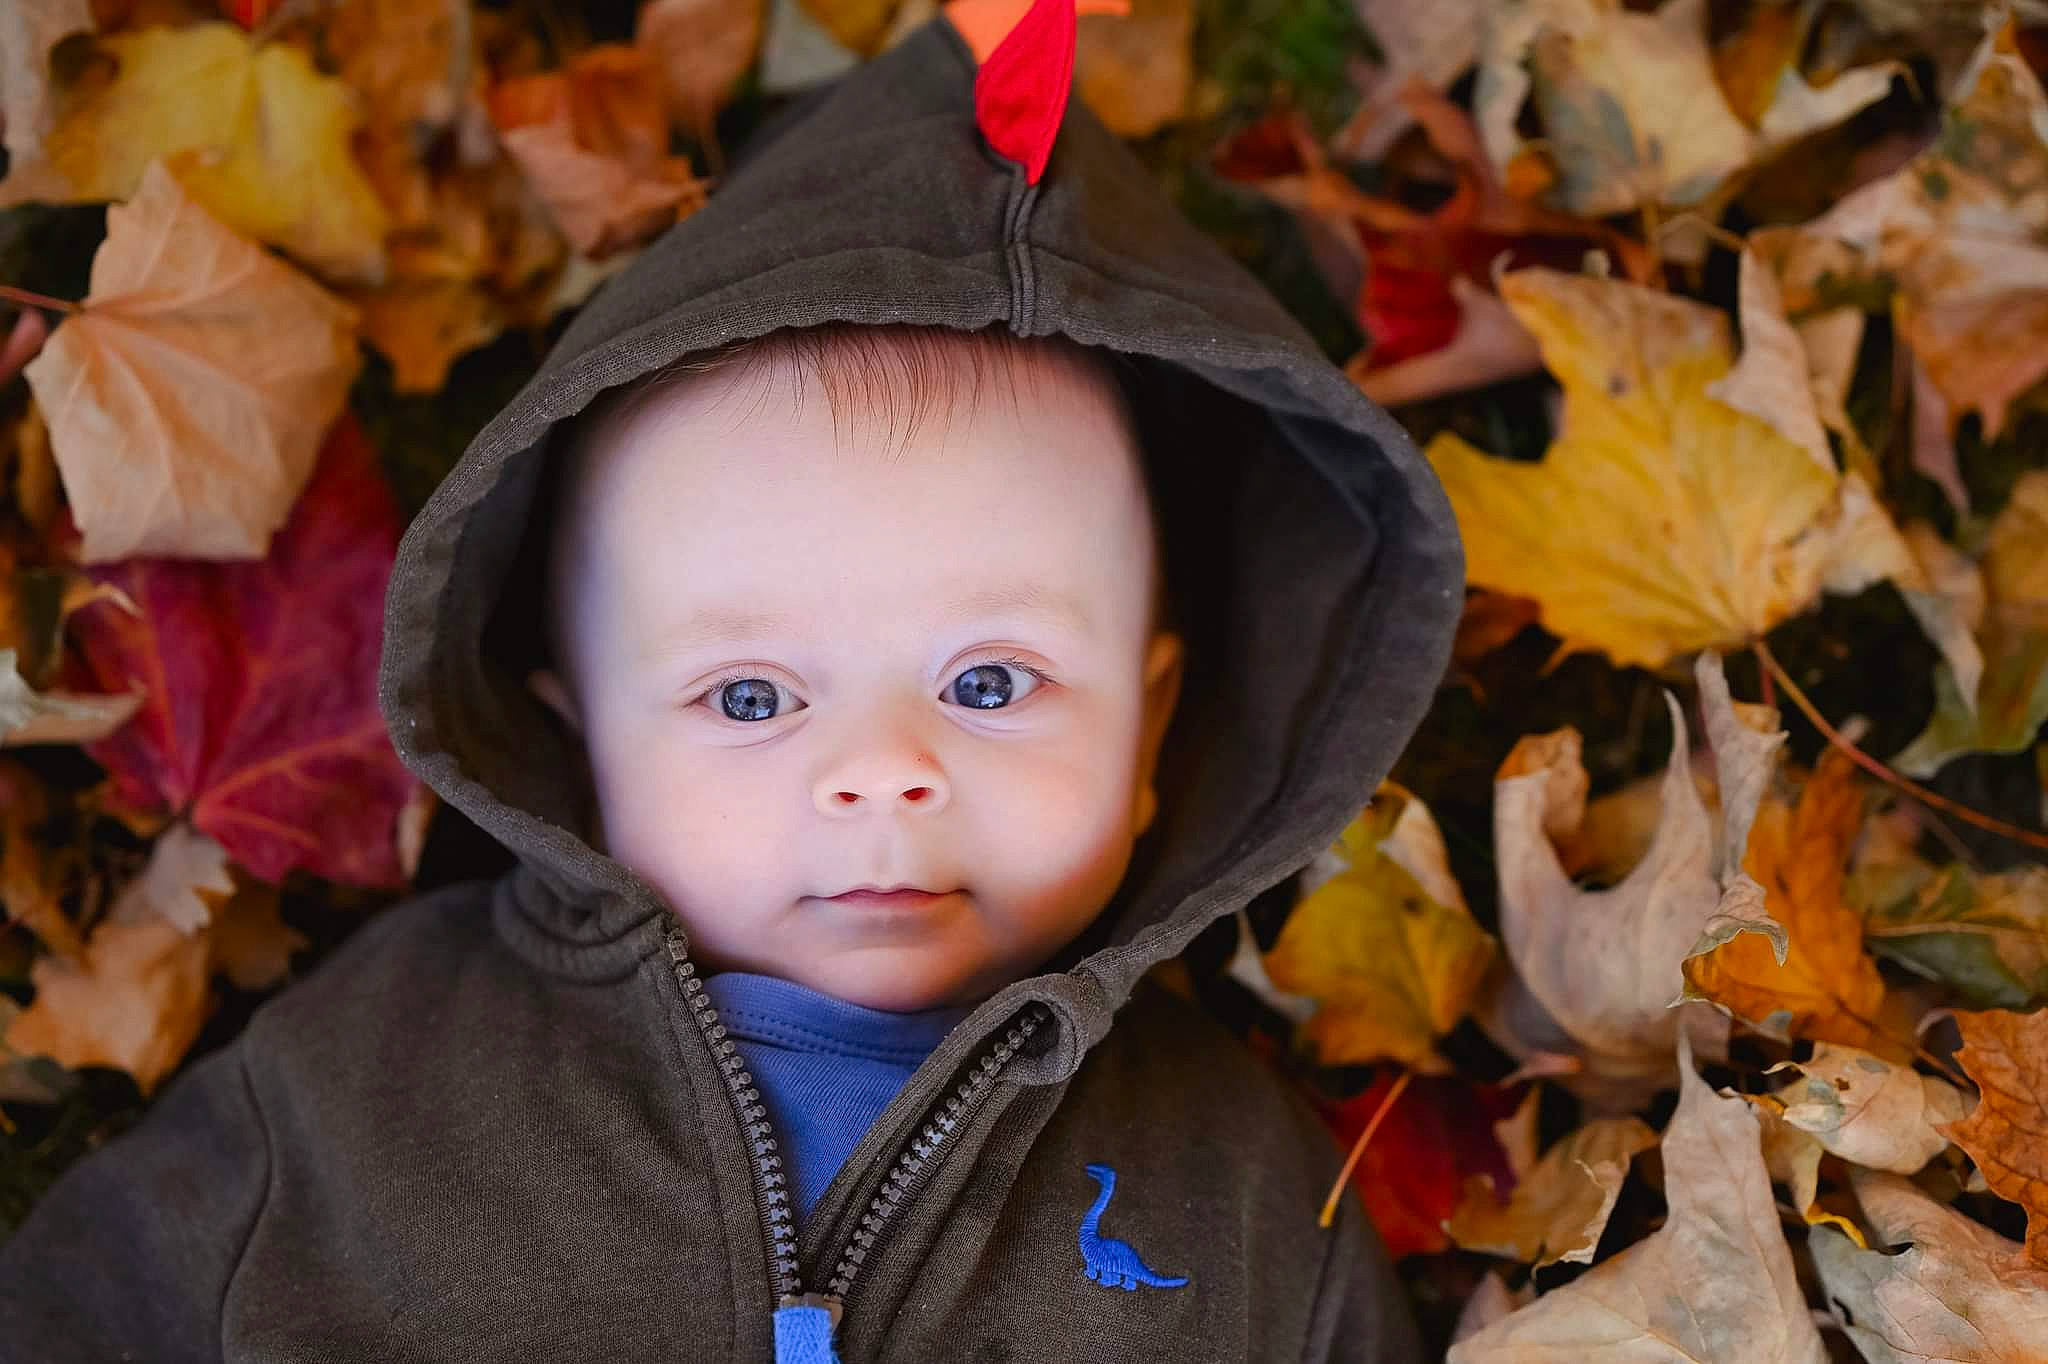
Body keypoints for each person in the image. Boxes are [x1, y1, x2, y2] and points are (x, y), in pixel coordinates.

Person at [0, 3, 1462, 1359]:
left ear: (1150, 727)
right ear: (577, 738)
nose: (885, 768)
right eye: (753, 699)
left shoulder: (1243, 1188)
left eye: (992, 681)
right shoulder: (371, 1073)